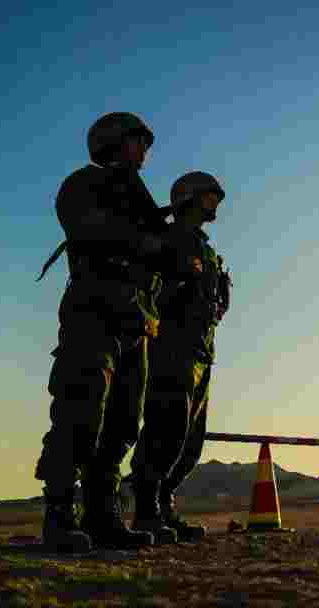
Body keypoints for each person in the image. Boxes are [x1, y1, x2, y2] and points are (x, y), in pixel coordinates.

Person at [34, 112, 172, 552]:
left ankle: (103, 516)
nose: (145, 151)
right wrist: (144, 240)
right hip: (94, 313)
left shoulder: (140, 196)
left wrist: (170, 245)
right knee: (80, 413)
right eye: (138, 142)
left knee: (123, 424)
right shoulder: (82, 184)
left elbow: (164, 257)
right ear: (114, 142)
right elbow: (91, 229)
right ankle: (59, 515)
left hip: (137, 320)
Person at [128, 171, 229, 542]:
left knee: (190, 437)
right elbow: (152, 288)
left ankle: (165, 505)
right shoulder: (168, 240)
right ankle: (147, 509)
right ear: (189, 197)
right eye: (209, 196)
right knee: (165, 428)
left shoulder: (203, 246)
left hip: (201, 349)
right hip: (171, 346)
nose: (216, 203)